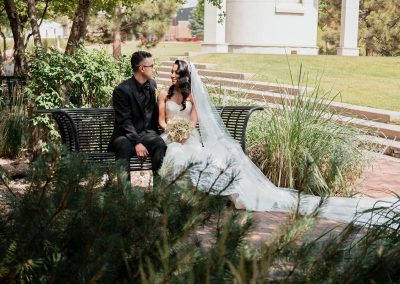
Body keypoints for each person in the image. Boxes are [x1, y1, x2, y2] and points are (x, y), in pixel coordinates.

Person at [158, 59, 398, 225]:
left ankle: (200, 198)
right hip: (171, 136)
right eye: (170, 71)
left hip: (190, 136)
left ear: (184, 75)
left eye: (174, 72)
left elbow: (193, 121)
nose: (171, 74)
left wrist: (186, 132)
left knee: (201, 156)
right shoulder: (164, 94)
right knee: (177, 155)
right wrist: (174, 132)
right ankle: (178, 201)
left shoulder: (191, 96)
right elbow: (161, 121)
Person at [108, 51, 167, 180]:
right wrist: (137, 143)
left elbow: (154, 112)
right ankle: (123, 193)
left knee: (160, 144)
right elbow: (125, 121)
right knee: (124, 147)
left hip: (146, 134)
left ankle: (158, 192)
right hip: (125, 135)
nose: (153, 69)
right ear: (141, 68)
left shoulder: (152, 85)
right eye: (151, 66)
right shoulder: (122, 90)